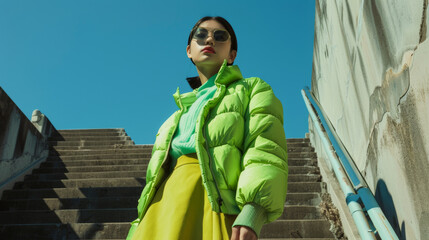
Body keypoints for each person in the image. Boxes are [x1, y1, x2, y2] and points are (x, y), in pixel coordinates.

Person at [127, 16, 288, 240]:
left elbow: (264, 148)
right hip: (161, 207)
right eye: (200, 35)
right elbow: (152, 183)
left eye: (220, 36)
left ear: (232, 55)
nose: (210, 39)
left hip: (214, 203)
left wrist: (253, 211)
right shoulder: (173, 119)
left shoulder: (252, 89)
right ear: (189, 51)